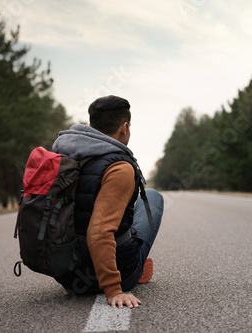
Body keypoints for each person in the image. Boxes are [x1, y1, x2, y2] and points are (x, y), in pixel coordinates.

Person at [51, 95, 164, 309]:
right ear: (124, 127)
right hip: (109, 278)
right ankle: (135, 268)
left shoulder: (64, 156)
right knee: (153, 197)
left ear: (92, 126)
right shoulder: (119, 168)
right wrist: (114, 289)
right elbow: (99, 231)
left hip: (68, 274)